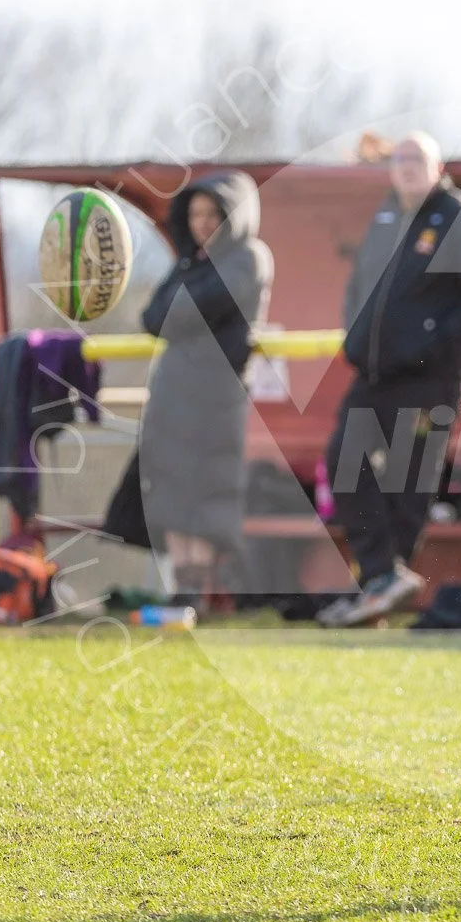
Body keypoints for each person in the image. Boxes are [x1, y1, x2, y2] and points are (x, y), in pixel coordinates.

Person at [319, 132, 461, 627]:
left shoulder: (458, 215)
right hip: (376, 373)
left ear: (436, 165)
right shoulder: (383, 218)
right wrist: (355, 339)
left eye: (416, 159)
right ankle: (382, 576)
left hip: (432, 377)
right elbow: (359, 288)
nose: (406, 167)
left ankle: (379, 592)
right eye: (399, 159)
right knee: (344, 460)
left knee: (408, 483)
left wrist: (428, 343)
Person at [137, 172, 273, 606]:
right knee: (172, 488)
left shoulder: (250, 257)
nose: (203, 223)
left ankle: (198, 589)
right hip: (174, 395)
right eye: (195, 214)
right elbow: (153, 317)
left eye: (214, 214)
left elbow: (186, 312)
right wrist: (181, 311)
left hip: (215, 398)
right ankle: (182, 587)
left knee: (206, 490)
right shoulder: (190, 263)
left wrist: (181, 314)